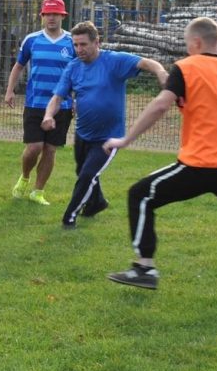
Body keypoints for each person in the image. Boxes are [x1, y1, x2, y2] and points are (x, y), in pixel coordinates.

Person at [102, 17, 217, 289]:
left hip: (200, 165)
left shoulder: (186, 67)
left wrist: (125, 139)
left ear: (196, 42)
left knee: (140, 195)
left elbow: (161, 105)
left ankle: (145, 269)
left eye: (187, 43)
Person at [42, 21, 167, 229]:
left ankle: (69, 218)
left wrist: (161, 73)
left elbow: (147, 63)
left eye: (83, 44)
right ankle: (97, 203)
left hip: (109, 137)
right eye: (75, 45)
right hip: (83, 133)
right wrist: (48, 115)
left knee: (87, 175)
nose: (79, 49)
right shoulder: (73, 67)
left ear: (96, 42)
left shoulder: (114, 61)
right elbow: (57, 97)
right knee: (84, 172)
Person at [4, 0, 75, 206]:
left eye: (55, 14)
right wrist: (10, 90)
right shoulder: (32, 40)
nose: (51, 18)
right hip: (35, 103)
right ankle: (25, 177)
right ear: (42, 16)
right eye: (48, 14)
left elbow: (79, 73)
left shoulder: (72, 42)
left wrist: (78, 99)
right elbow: (18, 66)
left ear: (62, 16)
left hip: (62, 106)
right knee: (34, 147)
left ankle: (38, 191)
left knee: (50, 149)